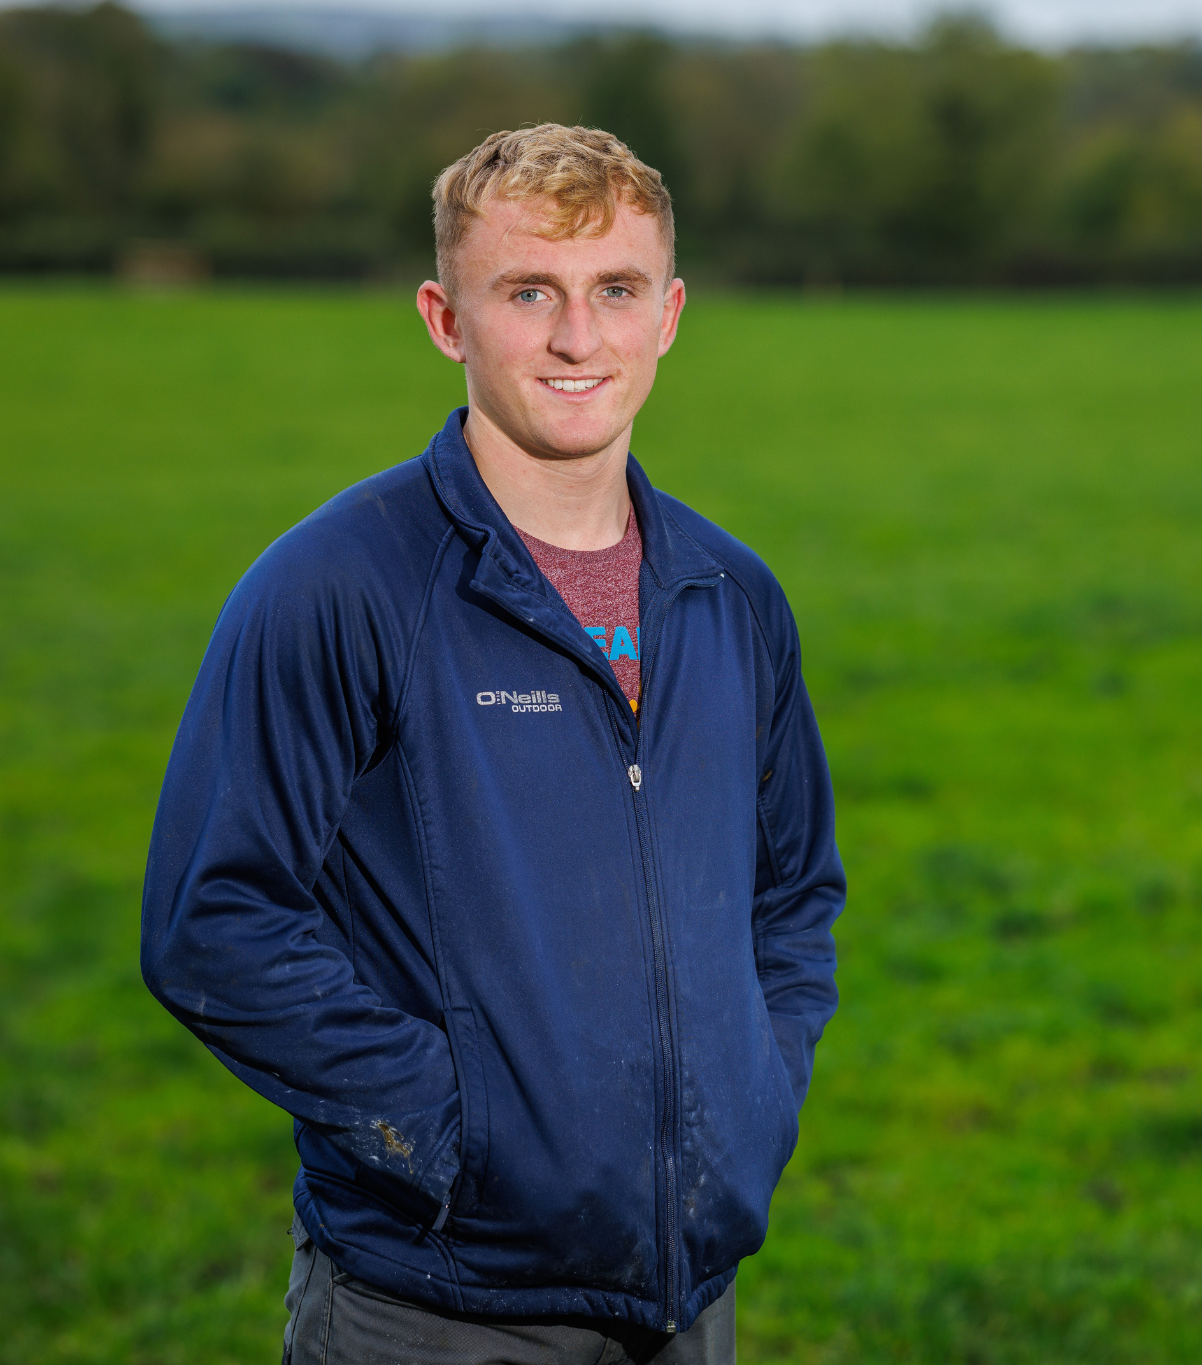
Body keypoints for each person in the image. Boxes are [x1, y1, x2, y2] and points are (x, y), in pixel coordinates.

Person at [140, 124, 843, 1364]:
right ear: (444, 318)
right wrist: (459, 1135)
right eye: (530, 293)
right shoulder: (337, 589)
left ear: (669, 313)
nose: (580, 339)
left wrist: (755, 1100)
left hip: (691, 1294)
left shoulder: (731, 598)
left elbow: (792, 895)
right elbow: (217, 921)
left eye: (614, 291)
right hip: (441, 1305)